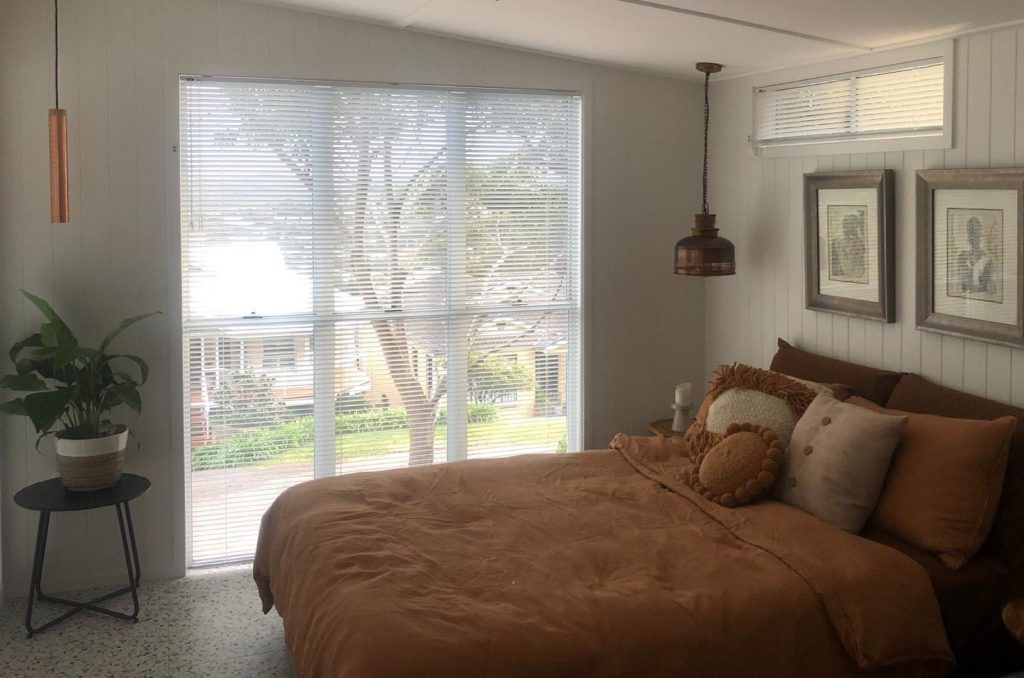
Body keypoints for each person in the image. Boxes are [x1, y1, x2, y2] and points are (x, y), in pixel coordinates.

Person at [955, 216, 996, 297]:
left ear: (980, 234)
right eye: (970, 232)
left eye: (976, 233)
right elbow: (961, 286)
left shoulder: (987, 259)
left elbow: (986, 288)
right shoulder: (961, 257)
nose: (972, 237)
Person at [831, 211, 866, 282]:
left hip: (855, 274)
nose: (844, 228)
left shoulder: (858, 243)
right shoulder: (838, 243)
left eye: (848, 225)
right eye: (844, 225)